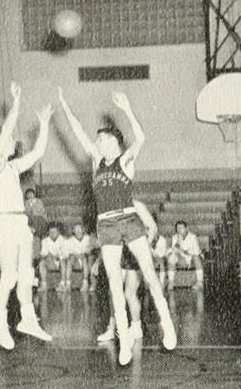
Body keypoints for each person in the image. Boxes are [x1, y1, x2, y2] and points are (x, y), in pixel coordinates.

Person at [59, 87, 176, 366]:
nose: (98, 142)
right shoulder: (97, 163)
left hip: (129, 220)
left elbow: (142, 137)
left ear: (114, 142)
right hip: (107, 224)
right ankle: (123, 337)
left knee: (148, 271)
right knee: (113, 281)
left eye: (103, 138)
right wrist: (66, 108)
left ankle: (167, 324)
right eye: (97, 139)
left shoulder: (125, 161)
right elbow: (78, 133)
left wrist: (127, 109)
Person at [0, 81, 53, 349]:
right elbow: (7, 133)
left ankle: (27, 319)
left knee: (26, 273)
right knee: (9, 275)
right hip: (3, 220)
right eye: (8, 139)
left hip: (19, 220)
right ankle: (0, 321)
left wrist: (44, 124)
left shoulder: (11, 167)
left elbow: (37, 153)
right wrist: (16, 103)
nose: (14, 141)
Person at [98, 200, 157, 343]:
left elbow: (153, 228)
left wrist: (143, 248)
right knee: (114, 292)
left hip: (133, 252)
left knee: (130, 293)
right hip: (118, 250)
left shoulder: (137, 205)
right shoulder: (110, 206)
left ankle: (136, 327)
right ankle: (111, 329)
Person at [167, 221, 204, 291]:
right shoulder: (175, 237)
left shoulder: (193, 237)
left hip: (192, 259)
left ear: (186, 228)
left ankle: (200, 283)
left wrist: (184, 251)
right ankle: (171, 282)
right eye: (178, 228)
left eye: (181, 228)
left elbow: (196, 252)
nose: (179, 230)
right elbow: (173, 250)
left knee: (196, 258)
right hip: (182, 259)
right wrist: (177, 243)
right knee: (172, 257)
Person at [38, 223, 68, 292]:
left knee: (63, 261)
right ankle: (44, 284)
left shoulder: (64, 240)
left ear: (58, 232)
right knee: (42, 263)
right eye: (50, 232)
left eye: (54, 232)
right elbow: (43, 253)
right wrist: (49, 256)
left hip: (60, 262)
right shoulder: (45, 240)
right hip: (49, 261)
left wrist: (57, 256)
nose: (52, 234)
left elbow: (65, 254)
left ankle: (62, 284)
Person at [64, 223, 94, 292]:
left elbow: (89, 249)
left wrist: (83, 253)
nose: (77, 231)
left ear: (83, 230)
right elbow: (68, 252)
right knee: (70, 258)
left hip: (84, 258)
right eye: (75, 229)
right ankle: (68, 283)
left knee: (84, 258)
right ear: (73, 231)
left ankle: (85, 282)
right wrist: (75, 255)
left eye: (79, 229)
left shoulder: (88, 238)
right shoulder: (70, 240)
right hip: (74, 259)